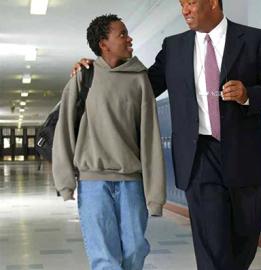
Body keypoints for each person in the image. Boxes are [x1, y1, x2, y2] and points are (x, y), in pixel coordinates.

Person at [72, 0, 261, 269]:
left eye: (191, 3)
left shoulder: (254, 39)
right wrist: (98, 69)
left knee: (243, 240)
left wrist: (248, 95)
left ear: (212, 4)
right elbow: (142, 87)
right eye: (182, 4)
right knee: (211, 245)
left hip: (245, 157)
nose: (184, 10)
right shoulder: (174, 47)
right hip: (199, 156)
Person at [53, 14, 166, 270]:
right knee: (104, 257)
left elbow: (149, 137)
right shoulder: (84, 77)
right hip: (93, 183)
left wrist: (155, 194)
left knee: (136, 249)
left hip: (131, 182)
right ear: (104, 43)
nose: (129, 38)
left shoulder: (140, 79)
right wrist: (65, 182)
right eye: (122, 34)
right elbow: (64, 132)